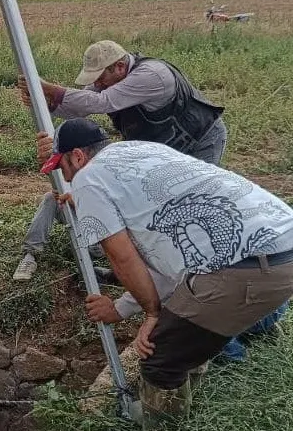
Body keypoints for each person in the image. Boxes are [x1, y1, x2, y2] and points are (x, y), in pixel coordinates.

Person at [37, 118, 293, 431]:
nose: (66, 178)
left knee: (160, 353)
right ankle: (169, 412)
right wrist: (125, 308)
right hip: (279, 245)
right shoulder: (140, 151)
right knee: (188, 335)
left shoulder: (88, 179)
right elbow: (166, 256)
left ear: (79, 156)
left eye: (64, 167)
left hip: (243, 265)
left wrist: (151, 313)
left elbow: (124, 258)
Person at [12, 39, 227, 281]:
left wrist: (49, 89)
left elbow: (101, 103)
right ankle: (136, 272)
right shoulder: (110, 83)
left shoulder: (153, 75)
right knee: (145, 203)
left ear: (120, 67)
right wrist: (47, 105)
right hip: (162, 147)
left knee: (186, 204)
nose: (97, 84)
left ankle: (195, 273)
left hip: (199, 142)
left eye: (100, 77)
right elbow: (83, 105)